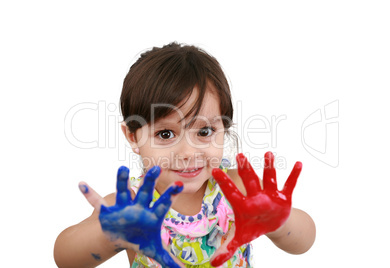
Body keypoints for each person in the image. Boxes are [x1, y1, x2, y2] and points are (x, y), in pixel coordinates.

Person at [54, 42, 316, 268]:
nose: (189, 153)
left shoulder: (238, 190)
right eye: (166, 134)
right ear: (133, 136)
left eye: (204, 131)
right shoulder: (131, 206)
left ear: (224, 128)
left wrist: (280, 222)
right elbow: (65, 257)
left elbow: (304, 241)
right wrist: (110, 234)